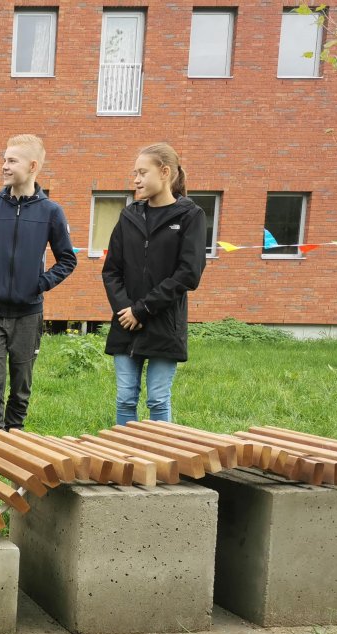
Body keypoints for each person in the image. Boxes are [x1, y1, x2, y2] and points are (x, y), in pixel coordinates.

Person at [0, 135, 76, 436]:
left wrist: (40, 284)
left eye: (12, 160)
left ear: (32, 166)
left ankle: (16, 435)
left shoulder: (51, 212)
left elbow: (67, 260)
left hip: (28, 314)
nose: (4, 166)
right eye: (4, 159)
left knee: (22, 381)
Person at [101, 142, 206, 425]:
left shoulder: (190, 216)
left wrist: (143, 310)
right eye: (134, 172)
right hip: (126, 324)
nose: (136, 179)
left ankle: (161, 465)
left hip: (164, 325)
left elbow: (188, 273)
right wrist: (126, 310)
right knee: (125, 398)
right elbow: (111, 271)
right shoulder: (129, 216)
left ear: (164, 172)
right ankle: (125, 460)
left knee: (158, 400)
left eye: (142, 172)